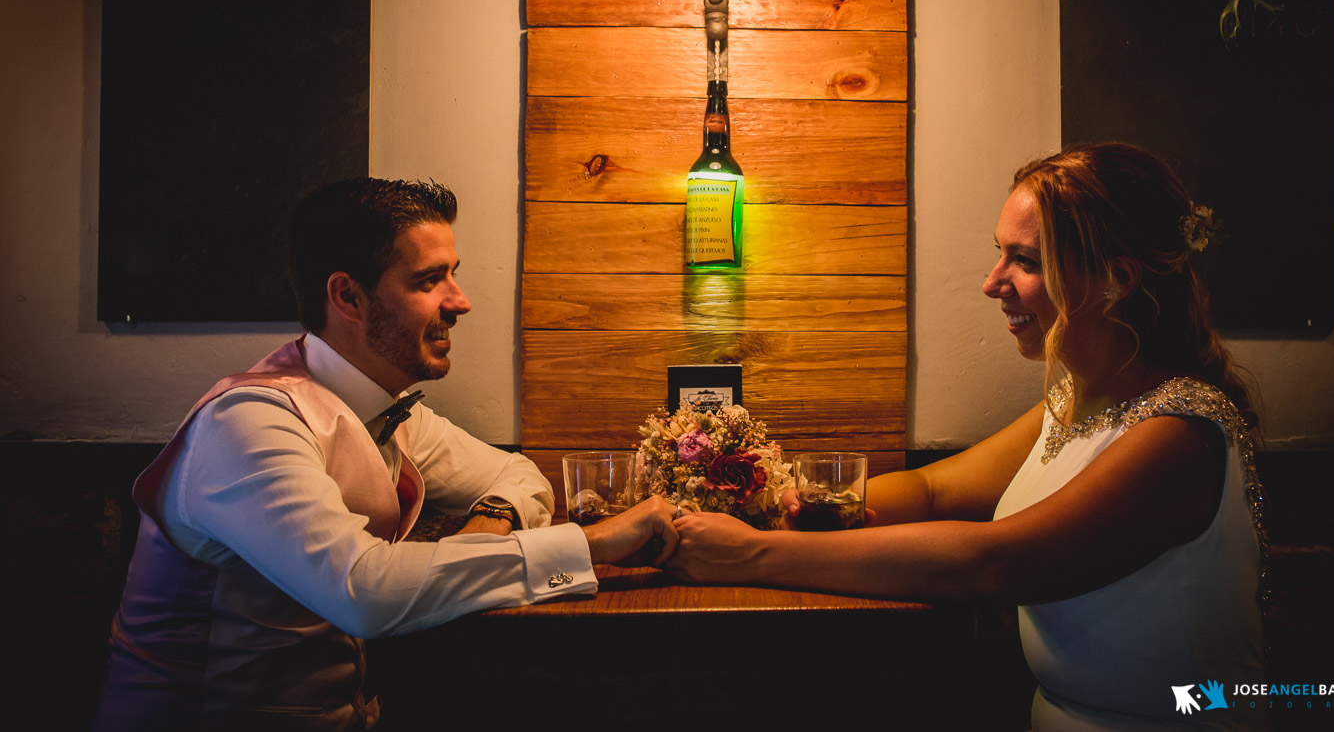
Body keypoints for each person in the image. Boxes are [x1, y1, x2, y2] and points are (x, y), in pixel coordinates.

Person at [668, 143, 1266, 731]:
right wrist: (782, 509)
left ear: (1118, 278)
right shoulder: (1073, 402)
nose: (992, 282)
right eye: (1000, 254)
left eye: (1026, 260)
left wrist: (753, 554)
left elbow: (996, 564)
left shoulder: (1181, 435)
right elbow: (932, 489)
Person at [95, 178, 677, 731]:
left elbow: (515, 472)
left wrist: (489, 522)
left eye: (454, 275)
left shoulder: (388, 410)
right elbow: (363, 592)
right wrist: (594, 544)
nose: (461, 301)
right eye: (429, 281)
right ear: (348, 296)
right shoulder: (248, 424)